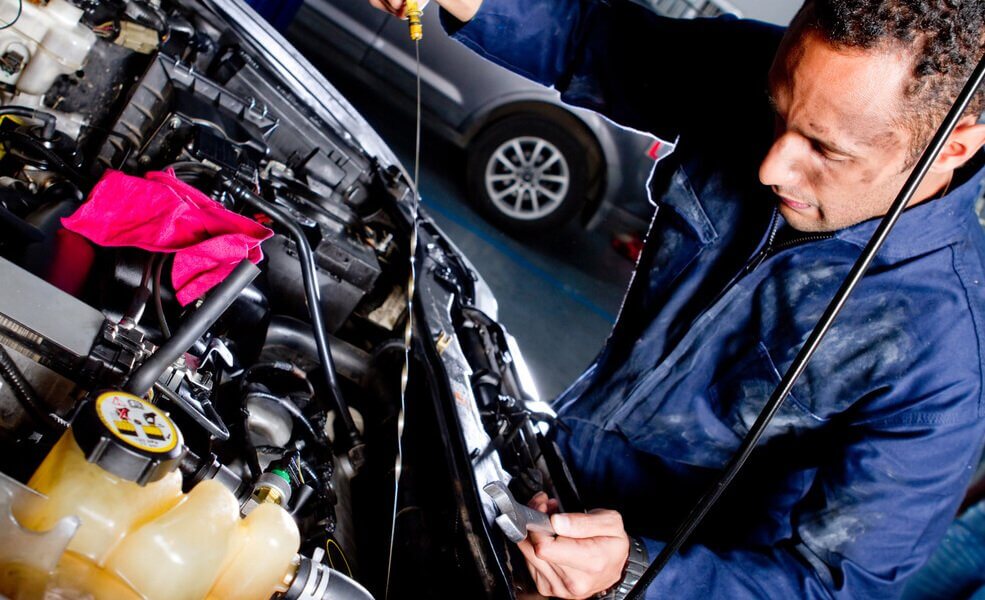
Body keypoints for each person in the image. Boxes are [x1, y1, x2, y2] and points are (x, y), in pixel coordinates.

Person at [367, 0, 985, 597]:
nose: (771, 166)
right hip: (542, 464)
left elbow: (838, 587)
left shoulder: (944, 352)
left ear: (953, 147)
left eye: (825, 149)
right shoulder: (773, 73)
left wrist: (635, 572)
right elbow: (593, 42)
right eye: (776, 112)